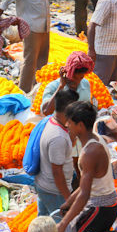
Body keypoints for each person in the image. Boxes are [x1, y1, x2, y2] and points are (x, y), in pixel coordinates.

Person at [56, 101, 117, 232]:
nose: (67, 126)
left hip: (100, 210)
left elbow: (85, 194)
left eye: (70, 123)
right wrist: (69, 202)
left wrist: (63, 224)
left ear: (80, 126)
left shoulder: (90, 152)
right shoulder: (96, 138)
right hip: (106, 207)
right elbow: (86, 185)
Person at [0, 0, 53, 92]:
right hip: (31, 25)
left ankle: (37, 89)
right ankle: (23, 92)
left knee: (43, 60)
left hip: (44, 25)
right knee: (30, 60)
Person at [35, 89, 79, 218]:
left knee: (43, 222)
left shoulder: (52, 122)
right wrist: (68, 199)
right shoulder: (58, 137)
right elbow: (57, 172)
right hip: (54, 191)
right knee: (60, 228)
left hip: (44, 185)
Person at [41, 51, 93, 116]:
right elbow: (46, 112)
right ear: (66, 72)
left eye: (79, 78)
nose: (75, 81)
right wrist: (61, 87)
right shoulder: (53, 86)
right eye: (73, 77)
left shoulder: (85, 84)